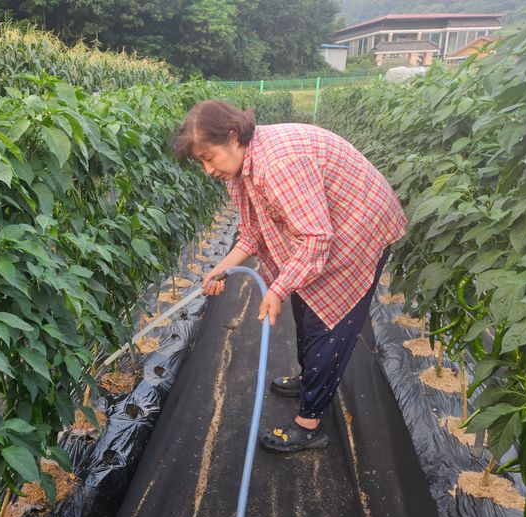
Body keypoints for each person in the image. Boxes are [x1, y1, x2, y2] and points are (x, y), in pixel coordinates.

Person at [174, 100, 407, 453]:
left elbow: (316, 238)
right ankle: (308, 379)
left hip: (359, 224)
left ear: (233, 136)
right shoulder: (239, 172)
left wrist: (278, 289)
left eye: (209, 157)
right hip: (332, 224)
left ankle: (310, 425)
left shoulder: (277, 165)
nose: (208, 169)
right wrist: (221, 269)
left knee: (327, 324)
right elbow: (253, 231)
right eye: (200, 162)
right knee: (305, 306)